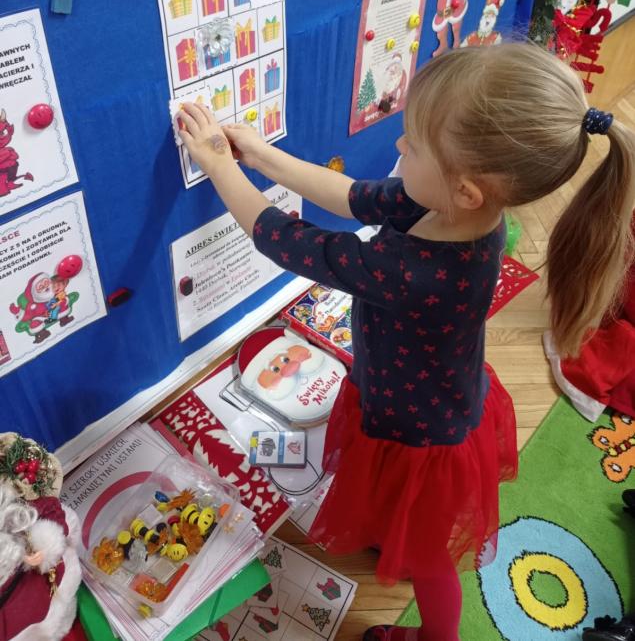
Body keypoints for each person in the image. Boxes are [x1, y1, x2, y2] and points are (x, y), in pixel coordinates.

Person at [177, 42, 635, 641]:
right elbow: (350, 196)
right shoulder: (457, 208)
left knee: (430, 560)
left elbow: (288, 242)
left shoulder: (415, 270)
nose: (398, 146)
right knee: (406, 524)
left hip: (420, 437)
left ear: (466, 188)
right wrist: (261, 154)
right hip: (421, 399)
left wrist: (220, 167)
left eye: (412, 145)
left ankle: (436, 636)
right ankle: (395, 533)